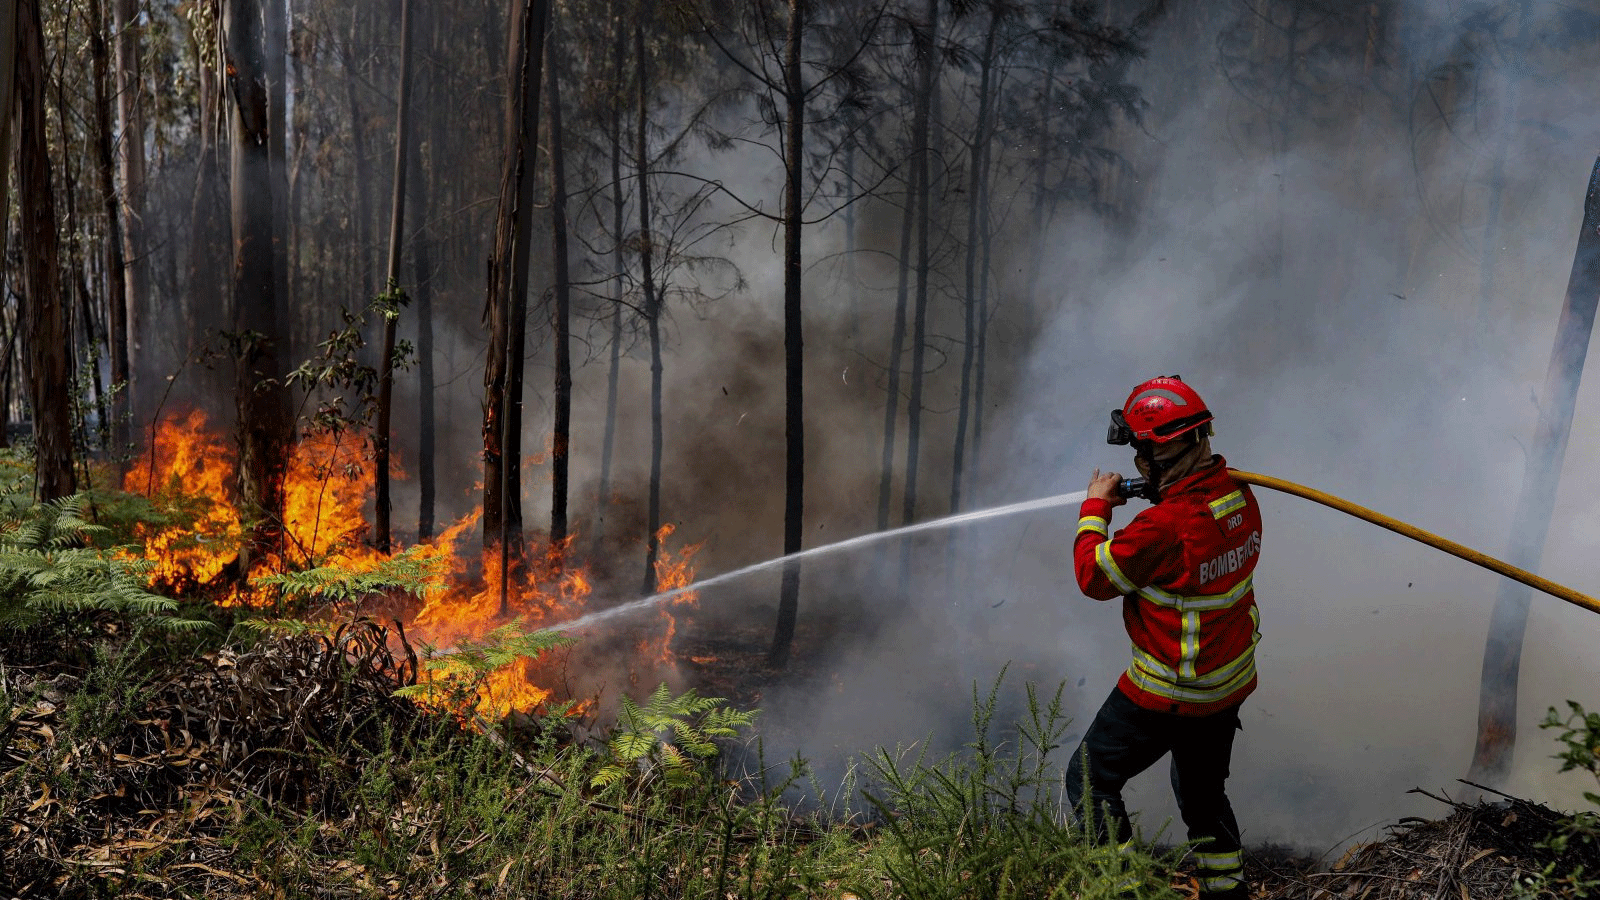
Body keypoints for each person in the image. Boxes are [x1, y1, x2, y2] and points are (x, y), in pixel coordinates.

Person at [1065, 375, 1261, 900]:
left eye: (1139, 452)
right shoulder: (1239, 496)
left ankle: (1122, 889)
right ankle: (1227, 890)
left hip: (1170, 689)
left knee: (1090, 778)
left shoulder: (1163, 527)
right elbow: (1195, 536)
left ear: (1161, 450)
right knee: (1201, 794)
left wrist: (1095, 510)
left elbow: (1095, 577)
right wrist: (1163, 492)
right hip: (1225, 685)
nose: (1135, 465)